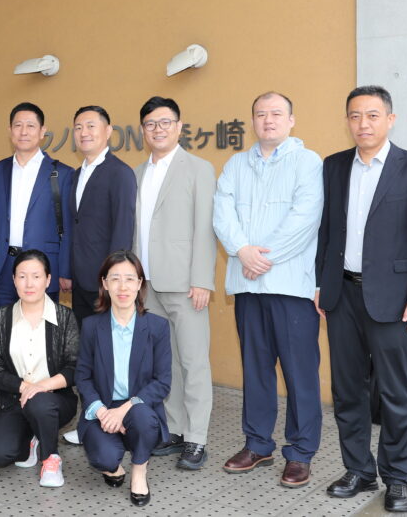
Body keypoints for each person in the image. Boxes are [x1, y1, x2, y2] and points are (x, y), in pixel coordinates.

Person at [316, 86, 407, 513]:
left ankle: (399, 477)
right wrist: (321, 284)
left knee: (396, 392)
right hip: (342, 295)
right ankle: (358, 469)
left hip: (395, 299)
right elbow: (327, 231)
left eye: (372, 115)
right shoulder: (334, 166)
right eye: (354, 116)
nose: (362, 124)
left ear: (390, 119)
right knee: (347, 391)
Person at [214, 92, 323, 487]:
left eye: (277, 113)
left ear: (291, 120)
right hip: (248, 286)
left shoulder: (308, 162)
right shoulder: (235, 164)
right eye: (261, 114)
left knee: (299, 374)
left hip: (290, 286)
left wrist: (261, 257)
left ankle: (301, 452)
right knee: (256, 370)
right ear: (252, 121)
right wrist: (242, 250)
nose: (268, 120)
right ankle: (258, 444)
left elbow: (304, 218)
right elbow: (222, 212)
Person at [133, 96, 217, 469]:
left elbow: (204, 228)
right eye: (151, 123)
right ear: (143, 130)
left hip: (185, 284)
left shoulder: (198, 168)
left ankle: (197, 438)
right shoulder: (137, 173)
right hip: (147, 285)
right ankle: (176, 430)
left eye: (165, 122)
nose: (158, 129)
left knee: (193, 361)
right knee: (164, 364)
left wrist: (202, 280)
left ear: (179, 127)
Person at [76, 250, 171, 507]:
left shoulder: (157, 327)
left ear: (139, 284)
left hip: (138, 407)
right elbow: (83, 376)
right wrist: (102, 412)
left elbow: (162, 382)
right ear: (105, 283)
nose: (122, 286)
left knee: (142, 419)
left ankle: (139, 470)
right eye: (115, 279)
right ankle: (114, 466)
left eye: (130, 279)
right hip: (103, 407)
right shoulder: (91, 326)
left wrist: (124, 409)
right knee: (103, 459)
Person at [0, 250, 79, 488]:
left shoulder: (65, 317)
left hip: (55, 400)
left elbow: (75, 366)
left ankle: (50, 458)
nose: (29, 283)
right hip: (15, 399)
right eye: (22, 276)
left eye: (36, 276)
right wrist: (24, 386)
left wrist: (42, 386)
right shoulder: (2, 318)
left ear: (48, 280)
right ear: (13, 280)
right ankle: (33, 436)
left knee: (40, 402)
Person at [0, 102, 74, 308]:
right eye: (18, 125)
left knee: (42, 326)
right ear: (10, 130)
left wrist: (65, 271)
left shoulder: (62, 173)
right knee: (4, 324)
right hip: (5, 267)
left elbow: (68, 227)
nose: (24, 132)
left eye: (31, 126)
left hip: (43, 268)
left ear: (42, 131)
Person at [68, 105, 136, 323]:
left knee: (107, 340)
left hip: (104, 282)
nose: (84, 133)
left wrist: (113, 277)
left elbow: (123, 229)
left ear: (107, 131)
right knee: (84, 341)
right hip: (79, 281)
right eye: (78, 128)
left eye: (91, 126)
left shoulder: (120, 173)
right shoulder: (76, 175)